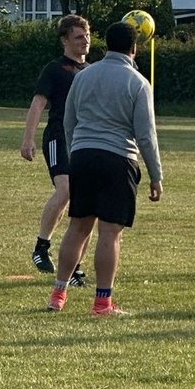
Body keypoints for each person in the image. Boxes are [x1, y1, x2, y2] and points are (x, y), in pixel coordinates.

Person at [46, 21, 163, 316]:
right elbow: (146, 136)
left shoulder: (84, 76)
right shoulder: (137, 82)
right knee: (110, 233)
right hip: (118, 159)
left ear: (105, 44)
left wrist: (77, 153)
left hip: (83, 156)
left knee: (78, 227)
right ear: (135, 49)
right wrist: (156, 174)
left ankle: (58, 294)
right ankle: (102, 303)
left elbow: (68, 121)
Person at [20, 14, 90, 284]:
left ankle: (75, 267)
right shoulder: (55, 69)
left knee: (84, 203)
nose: (85, 41)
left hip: (83, 141)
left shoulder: (91, 71)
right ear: (65, 40)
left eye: (87, 36)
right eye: (78, 37)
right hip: (58, 137)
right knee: (66, 190)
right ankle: (41, 247)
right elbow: (38, 104)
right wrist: (28, 139)